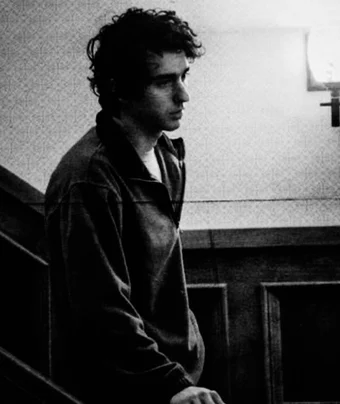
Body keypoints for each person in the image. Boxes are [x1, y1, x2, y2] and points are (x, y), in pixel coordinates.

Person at [45, 7, 225, 404]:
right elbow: (101, 310)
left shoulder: (166, 154)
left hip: (175, 374)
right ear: (119, 88)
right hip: (128, 389)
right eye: (164, 81)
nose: (183, 95)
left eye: (184, 76)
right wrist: (171, 385)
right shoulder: (88, 178)